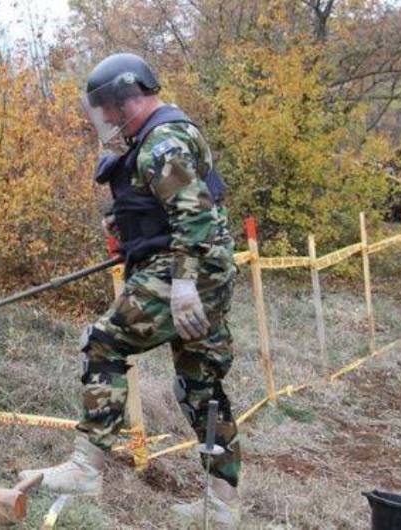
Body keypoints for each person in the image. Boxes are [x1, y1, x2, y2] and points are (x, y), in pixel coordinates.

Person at [18, 53, 242, 526]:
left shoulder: (162, 143)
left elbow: (195, 218)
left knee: (104, 342)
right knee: (200, 382)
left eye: (106, 109)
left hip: (189, 270)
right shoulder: (162, 135)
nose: (105, 119)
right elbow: (166, 212)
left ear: (124, 101)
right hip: (207, 271)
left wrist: (183, 285)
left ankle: (84, 470)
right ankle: (222, 505)